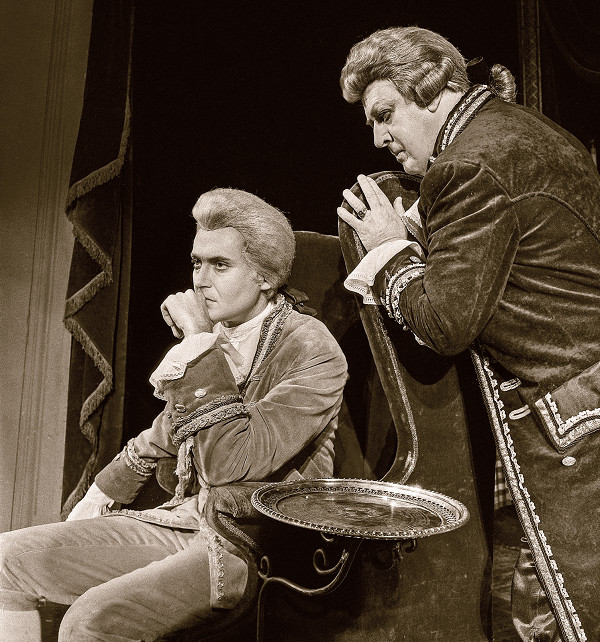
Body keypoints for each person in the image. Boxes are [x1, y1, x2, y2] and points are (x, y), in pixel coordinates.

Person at [336, 26, 600, 642]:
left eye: (386, 113)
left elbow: (446, 323)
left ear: (433, 89)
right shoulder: (519, 131)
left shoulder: (468, 165)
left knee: (579, 616)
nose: (378, 138)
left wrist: (390, 253)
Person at [0, 188, 348, 641]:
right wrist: (105, 489)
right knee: (6, 560)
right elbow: (170, 428)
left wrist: (199, 345)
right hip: (188, 519)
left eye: (220, 265)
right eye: (197, 263)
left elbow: (230, 464)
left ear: (265, 276)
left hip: (255, 544)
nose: (201, 281)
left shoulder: (311, 349)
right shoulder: (222, 332)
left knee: (91, 620)